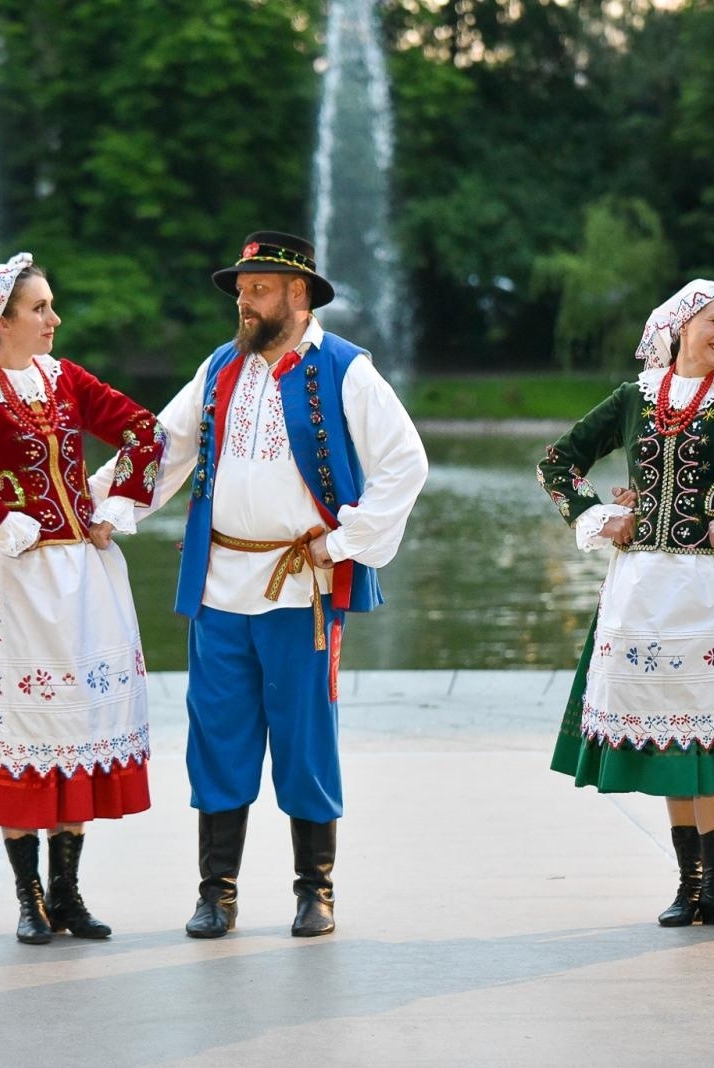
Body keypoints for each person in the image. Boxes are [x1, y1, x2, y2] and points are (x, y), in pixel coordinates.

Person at [101, 231, 427, 939]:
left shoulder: (346, 370)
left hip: (303, 590)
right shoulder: (221, 367)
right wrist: (95, 508)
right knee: (217, 739)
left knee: (307, 741)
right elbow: (162, 448)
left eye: (258, 289)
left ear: (298, 294)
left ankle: (317, 891)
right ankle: (215, 893)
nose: (244, 302)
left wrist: (343, 543)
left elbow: (406, 464)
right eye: (241, 289)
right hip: (219, 587)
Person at [539, 278, 714, 929]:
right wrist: (597, 514)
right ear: (681, 325)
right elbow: (558, 463)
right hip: (644, 590)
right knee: (670, 728)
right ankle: (690, 886)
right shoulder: (634, 398)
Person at [0, 253, 166, 945]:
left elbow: (143, 430)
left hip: (83, 579)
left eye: (51, 306)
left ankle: (68, 894)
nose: (54, 319)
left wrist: (116, 504)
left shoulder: (64, 378)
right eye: (40, 308)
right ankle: (29, 899)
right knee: (24, 734)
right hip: (17, 586)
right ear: (1, 322)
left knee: (77, 729)